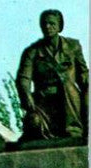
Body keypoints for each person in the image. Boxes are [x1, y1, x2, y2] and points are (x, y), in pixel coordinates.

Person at [16, 10, 88, 141]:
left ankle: (74, 129)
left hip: (70, 99)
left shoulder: (73, 46)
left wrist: (86, 79)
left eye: (52, 23)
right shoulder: (32, 52)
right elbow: (23, 79)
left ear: (60, 26)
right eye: (45, 24)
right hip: (44, 102)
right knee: (34, 123)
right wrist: (27, 96)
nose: (48, 27)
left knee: (67, 83)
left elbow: (84, 71)